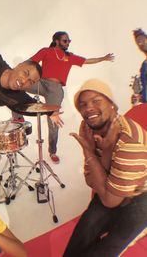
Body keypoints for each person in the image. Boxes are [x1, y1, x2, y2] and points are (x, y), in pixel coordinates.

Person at [63, 79, 147, 257]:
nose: (88, 108)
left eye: (96, 101)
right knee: (80, 238)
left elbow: (109, 200)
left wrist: (90, 153)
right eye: (83, 105)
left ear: (112, 105)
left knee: (105, 251)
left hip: (142, 196)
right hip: (112, 186)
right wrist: (101, 152)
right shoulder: (93, 131)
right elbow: (90, 180)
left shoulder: (129, 143)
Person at [13, 31, 114, 164]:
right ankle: (17, 116)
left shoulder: (69, 56)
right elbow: (31, 61)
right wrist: (15, 70)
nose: (68, 43)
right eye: (65, 41)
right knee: (16, 85)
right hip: (41, 83)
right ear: (56, 41)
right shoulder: (46, 51)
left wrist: (103, 58)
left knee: (53, 122)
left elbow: (87, 60)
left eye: (68, 41)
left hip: (55, 89)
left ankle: (52, 151)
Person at [132, 28, 147, 104]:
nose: (141, 43)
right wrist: (137, 97)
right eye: (138, 42)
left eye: (143, 40)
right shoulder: (144, 67)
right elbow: (143, 93)